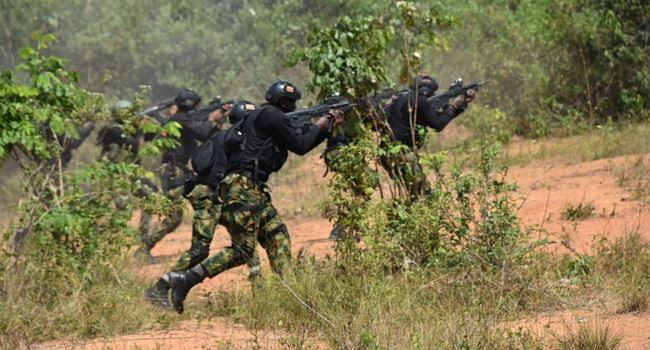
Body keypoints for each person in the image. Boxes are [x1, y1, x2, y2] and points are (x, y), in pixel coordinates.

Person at [167, 80, 344, 314]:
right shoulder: (271, 115)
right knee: (242, 250)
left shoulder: (265, 117)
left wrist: (327, 126)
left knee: (277, 234)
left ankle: (289, 294)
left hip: (253, 189)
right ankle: (186, 279)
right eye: (290, 103)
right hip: (242, 187)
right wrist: (324, 123)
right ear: (283, 101)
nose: (292, 107)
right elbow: (301, 145)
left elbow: (303, 143)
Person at [145, 100, 253, 308]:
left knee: (245, 245)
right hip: (208, 195)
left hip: (216, 196)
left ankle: (260, 292)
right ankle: (161, 286)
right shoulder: (231, 137)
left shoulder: (234, 136)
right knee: (200, 250)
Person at [137, 89, 223, 261]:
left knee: (203, 201)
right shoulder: (179, 119)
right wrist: (214, 119)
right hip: (174, 171)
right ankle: (143, 249)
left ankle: (198, 247)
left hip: (180, 170)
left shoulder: (181, 119)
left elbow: (203, 131)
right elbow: (203, 132)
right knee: (174, 216)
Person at [380, 74, 476, 200]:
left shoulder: (403, 97)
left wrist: (459, 106)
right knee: (424, 195)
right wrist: (453, 106)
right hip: (401, 154)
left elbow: (436, 117)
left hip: (386, 153)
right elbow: (438, 124)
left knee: (415, 193)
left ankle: (408, 215)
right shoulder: (420, 101)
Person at [97, 100, 158, 251]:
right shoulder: (113, 131)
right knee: (121, 209)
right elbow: (133, 144)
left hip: (129, 176)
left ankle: (143, 243)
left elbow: (156, 133)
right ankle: (100, 241)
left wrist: (149, 120)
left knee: (150, 195)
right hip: (116, 177)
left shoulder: (130, 129)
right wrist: (140, 129)